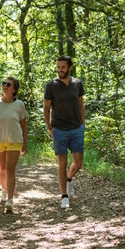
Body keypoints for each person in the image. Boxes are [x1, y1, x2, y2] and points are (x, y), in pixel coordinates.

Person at [43, 55, 85, 209]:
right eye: (58, 67)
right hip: (59, 129)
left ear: (70, 67)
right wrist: (50, 127)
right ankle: (64, 196)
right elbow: (46, 108)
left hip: (76, 128)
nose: (60, 70)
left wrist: (83, 125)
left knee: (78, 163)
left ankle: (69, 179)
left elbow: (81, 105)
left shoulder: (77, 84)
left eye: (63, 67)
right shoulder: (51, 85)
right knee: (62, 163)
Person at [0, 77, 28, 212]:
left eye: (8, 84)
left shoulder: (19, 105)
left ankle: (10, 200)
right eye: (3, 83)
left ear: (14, 89)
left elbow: (24, 125)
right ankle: (4, 189)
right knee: (2, 169)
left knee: (10, 169)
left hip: (14, 140)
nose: (4, 86)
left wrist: (25, 142)